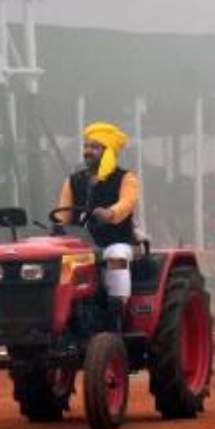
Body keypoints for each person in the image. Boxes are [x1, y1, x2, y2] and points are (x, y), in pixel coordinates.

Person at [55, 122, 140, 328]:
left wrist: (110, 213)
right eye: (86, 146)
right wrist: (57, 228)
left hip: (115, 241)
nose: (88, 151)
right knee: (57, 265)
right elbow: (63, 212)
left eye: (94, 147)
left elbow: (127, 203)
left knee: (116, 257)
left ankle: (118, 310)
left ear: (108, 150)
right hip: (81, 245)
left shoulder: (125, 178)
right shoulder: (73, 181)